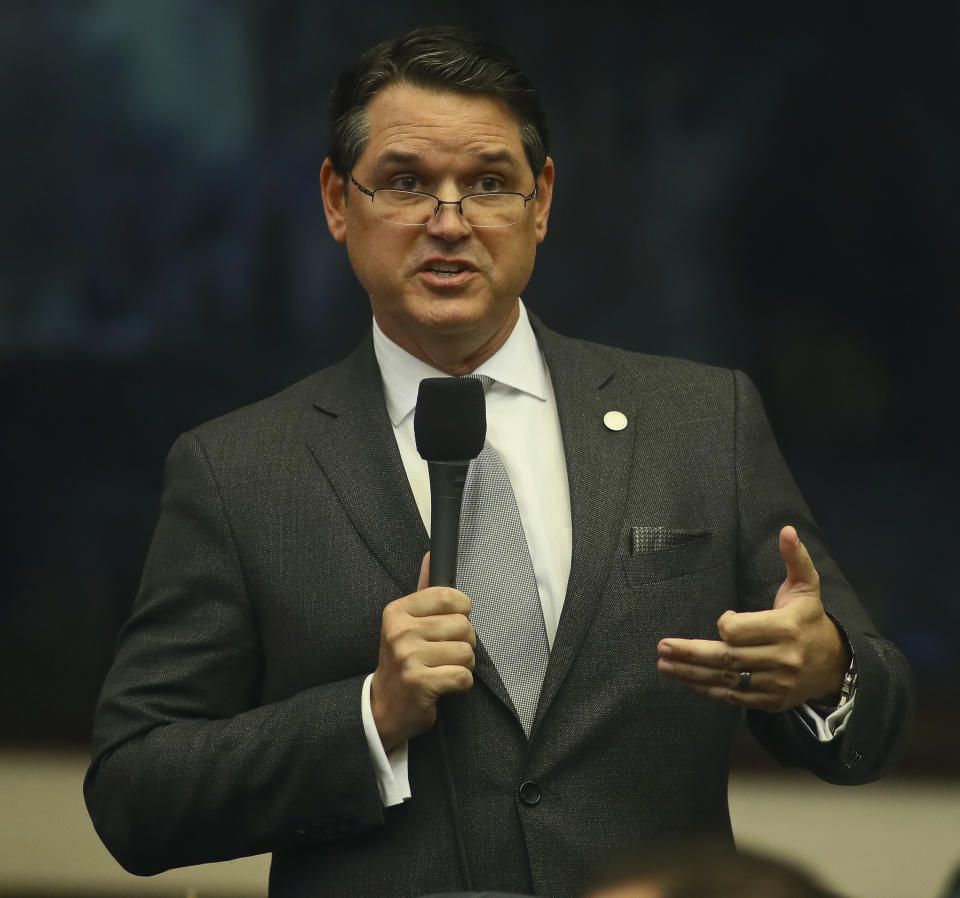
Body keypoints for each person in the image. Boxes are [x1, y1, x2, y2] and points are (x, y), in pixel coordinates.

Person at [84, 25, 913, 898]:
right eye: (406, 183)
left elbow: (873, 725)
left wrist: (828, 674)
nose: (450, 224)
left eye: (487, 184)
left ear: (540, 200)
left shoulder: (704, 420)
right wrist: (367, 716)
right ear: (337, 200)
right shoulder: (238, 470)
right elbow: (136, 794)